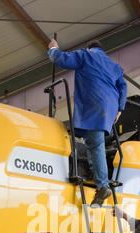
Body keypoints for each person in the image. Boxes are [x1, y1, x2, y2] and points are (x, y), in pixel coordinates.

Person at [47, 38, 127, 207]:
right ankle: (95, 173)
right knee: (92, 142)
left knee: (97, 145)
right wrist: (120, 108)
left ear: (89, 48)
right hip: (110, 108)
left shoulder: (86, 55)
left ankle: (102, 185)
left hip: (94, 103)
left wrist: (53, 49)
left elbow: (62, 59)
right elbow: (123, 86)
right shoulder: (115, 66)